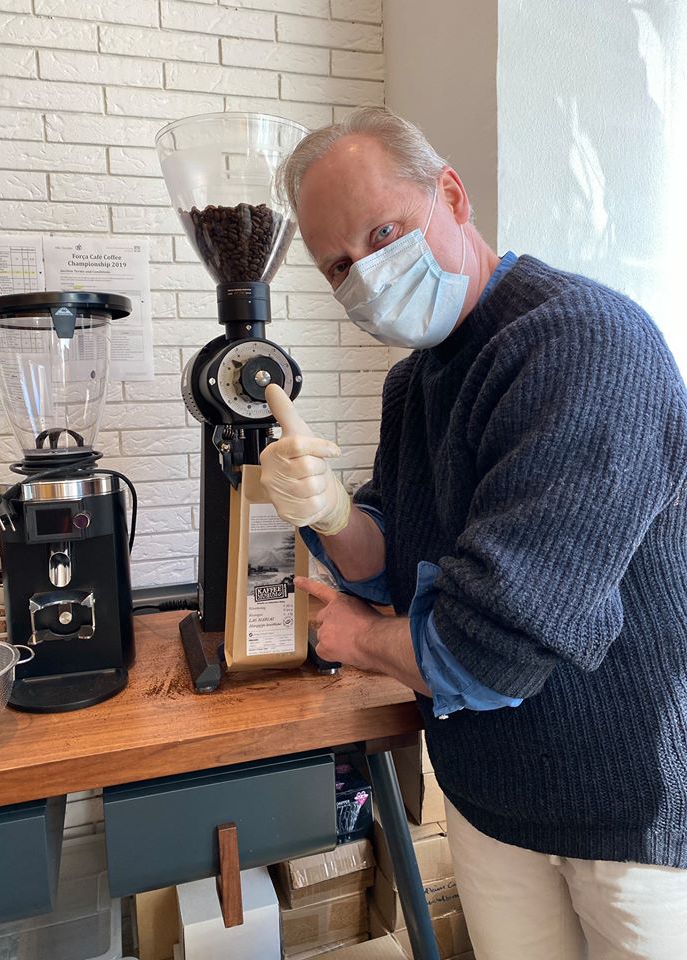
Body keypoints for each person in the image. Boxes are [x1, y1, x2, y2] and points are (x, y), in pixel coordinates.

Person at [259, 107, 687, 960]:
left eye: (383, 234)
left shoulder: (580, 343)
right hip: (487, 794)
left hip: (622, 809)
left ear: (451, 196)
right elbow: (391, 558)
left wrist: (359, 639)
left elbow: (491, 651)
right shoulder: (414, 383)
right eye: (339, 265)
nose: (367, 275)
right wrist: (331, 513)